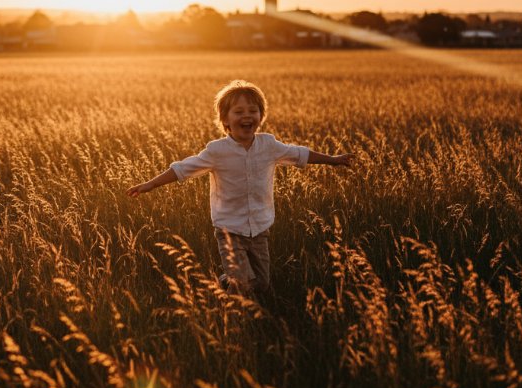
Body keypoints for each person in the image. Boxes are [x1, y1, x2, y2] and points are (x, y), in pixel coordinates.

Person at [127, 80, 353, 295]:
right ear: (225, 121)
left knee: (262, 284)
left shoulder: (269, 145)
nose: (247, 116)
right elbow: (183, 168)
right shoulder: (217, 151)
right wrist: (151, 184)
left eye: (253, 111)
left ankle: (225, 281)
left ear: (261, 117)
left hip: (259, 229)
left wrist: (333, 159)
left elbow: (300, 154)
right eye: (238, 112)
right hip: (229, 230)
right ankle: (231, 312)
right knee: (243, 284)